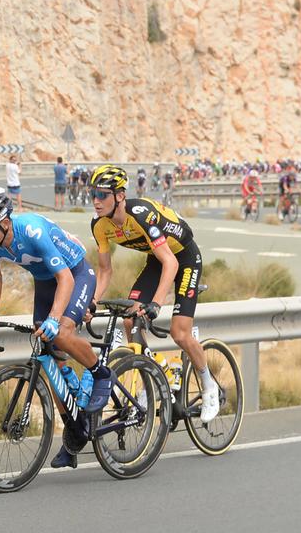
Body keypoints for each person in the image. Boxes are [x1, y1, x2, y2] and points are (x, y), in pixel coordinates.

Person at [0, 187, 113, 470]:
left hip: (75, 274)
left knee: (59, 332)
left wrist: (55, 318)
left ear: (5, 221)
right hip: (45, 283)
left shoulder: (31, 230)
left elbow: (66, 279)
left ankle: (101, 372)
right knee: (48, 359)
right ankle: (75, 428)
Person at [85, 165, 219, 425]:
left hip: (184, 257)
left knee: (179, 333)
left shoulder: (142, 215)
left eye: (102, 195)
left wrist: (156, 303)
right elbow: (104, 270)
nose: (96, 201)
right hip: (157, 259)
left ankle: (208, 385)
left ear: (120, 196)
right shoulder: (99, 225)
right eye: (93, 194)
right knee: (129, 320)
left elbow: (172, 263)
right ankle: (152, 378)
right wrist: (91, 301)